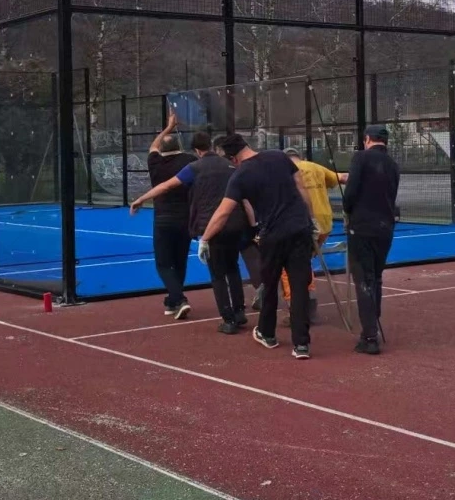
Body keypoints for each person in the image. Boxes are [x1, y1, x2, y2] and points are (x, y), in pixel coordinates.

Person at [200, 134, 317, 359]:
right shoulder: (279, 157)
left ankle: (267, 333)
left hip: (273, 235)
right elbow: (301, 187)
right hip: (300, 229)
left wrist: (205, 238)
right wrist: (311, 220)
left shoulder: (240, 175)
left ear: (233, 158)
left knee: (270, 284)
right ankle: (301, 344)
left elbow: (223, 212)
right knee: (299, 285)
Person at [132, 134, 252, 333]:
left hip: (211, 223)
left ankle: (228, 319)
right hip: (235, 221)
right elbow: (245, 197)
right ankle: (239, 312)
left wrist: (141, 199)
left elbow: (167, 185)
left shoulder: (195, 168)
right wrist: (253, 222)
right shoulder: (231, 166)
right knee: (232, 267)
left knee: (217, 273)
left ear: (197, 150)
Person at [343, 125, 400, 355]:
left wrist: (348, 210)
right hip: (385, 227)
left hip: (363, 227)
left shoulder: (361, 158)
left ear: (367, 139)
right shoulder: (393, 165)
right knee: (376, 277)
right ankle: (372, 325)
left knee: (364, 280)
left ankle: (369, 336)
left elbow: (350, 194)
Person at [282, 148, 346, 322]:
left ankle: (300, 308)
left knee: (290, 268)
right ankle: (307, 303)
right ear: (300, 156)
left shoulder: (284, 170)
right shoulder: (315, 167)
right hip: (324, 223)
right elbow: (342, 178)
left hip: (303, 224)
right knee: (303, 262)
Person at [145, 112, 196, 319]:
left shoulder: (155, 163)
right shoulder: (189, 161)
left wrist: (167, 127)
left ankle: (179, 298)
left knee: (164, 263)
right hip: (186, 218)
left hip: (163, 219)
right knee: (180, 260)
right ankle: (173, 300)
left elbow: (153, 147)